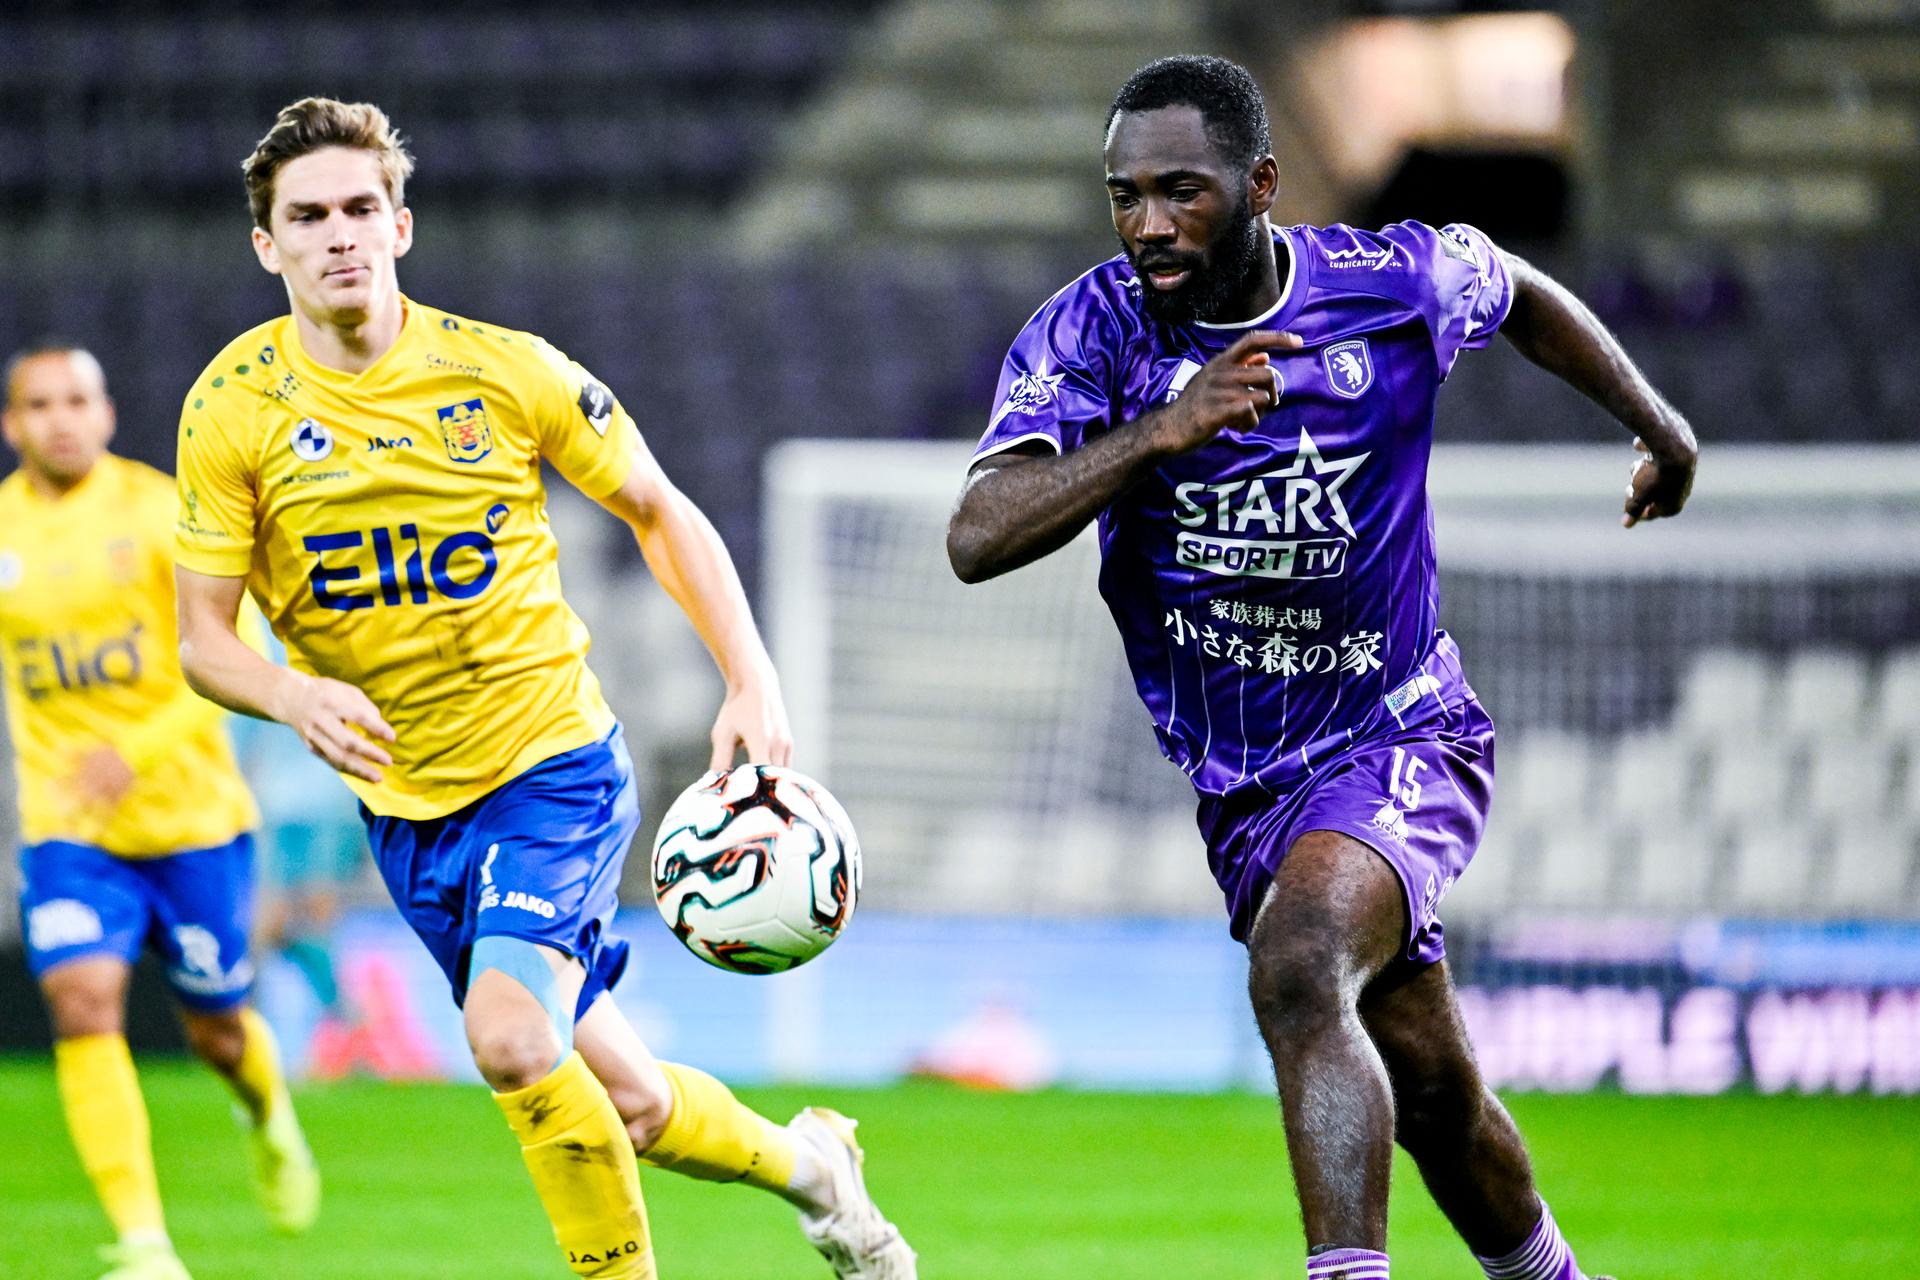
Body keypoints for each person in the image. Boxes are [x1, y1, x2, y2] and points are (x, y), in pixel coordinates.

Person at [947, 55, 1696, 1280]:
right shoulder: (1089, 332)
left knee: (1299, 965)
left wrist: (1661, 429)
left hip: (1401, 732)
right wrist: (1162, 429)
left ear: (1261, 183)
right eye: (1124, 196)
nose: (1148, 225)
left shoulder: (1391, 281)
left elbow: (1520, 295)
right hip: (1248, 788)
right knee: (1438, 1094)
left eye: (1180, 192)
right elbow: (978, 534)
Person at [170, 97, 913, 1280]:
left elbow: (660, 512)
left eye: (361, 207)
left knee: (510, 1037)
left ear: (401, 224)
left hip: (552, 765)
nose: (338, 234)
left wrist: (749, 674)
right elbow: (201, 642)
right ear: (269, 247)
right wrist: (290, 693)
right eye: (306, 217)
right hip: (410, 810)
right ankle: (818, 1172)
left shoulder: (502, 371)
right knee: (634, 1106)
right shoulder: (231, 410)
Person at [0, 343, 319, 1280]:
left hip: (191, 822)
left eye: (78, 400)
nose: (62, 418)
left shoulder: (155, 510)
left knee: (218, 1030)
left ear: (105, 414)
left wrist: (131, 753)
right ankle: (145, 1246)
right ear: (13, 425)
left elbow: (233, 654)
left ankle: (268, 1114)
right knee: (83, 1001)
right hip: (70, 831)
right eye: (40, 404)